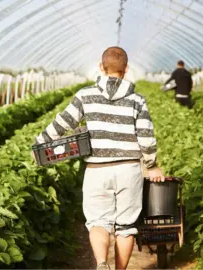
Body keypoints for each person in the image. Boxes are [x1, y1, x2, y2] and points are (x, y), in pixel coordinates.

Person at [33, 46, 164, 270]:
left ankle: (102, 263)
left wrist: (40, 143)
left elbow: (63, 123)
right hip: (128, 170)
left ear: (101, 67)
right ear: (126, 69)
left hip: (96, 170)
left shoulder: (85, 95)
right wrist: (152, 166)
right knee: (126, 226)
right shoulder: (137, 100)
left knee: (98, 221)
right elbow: (146, 136)